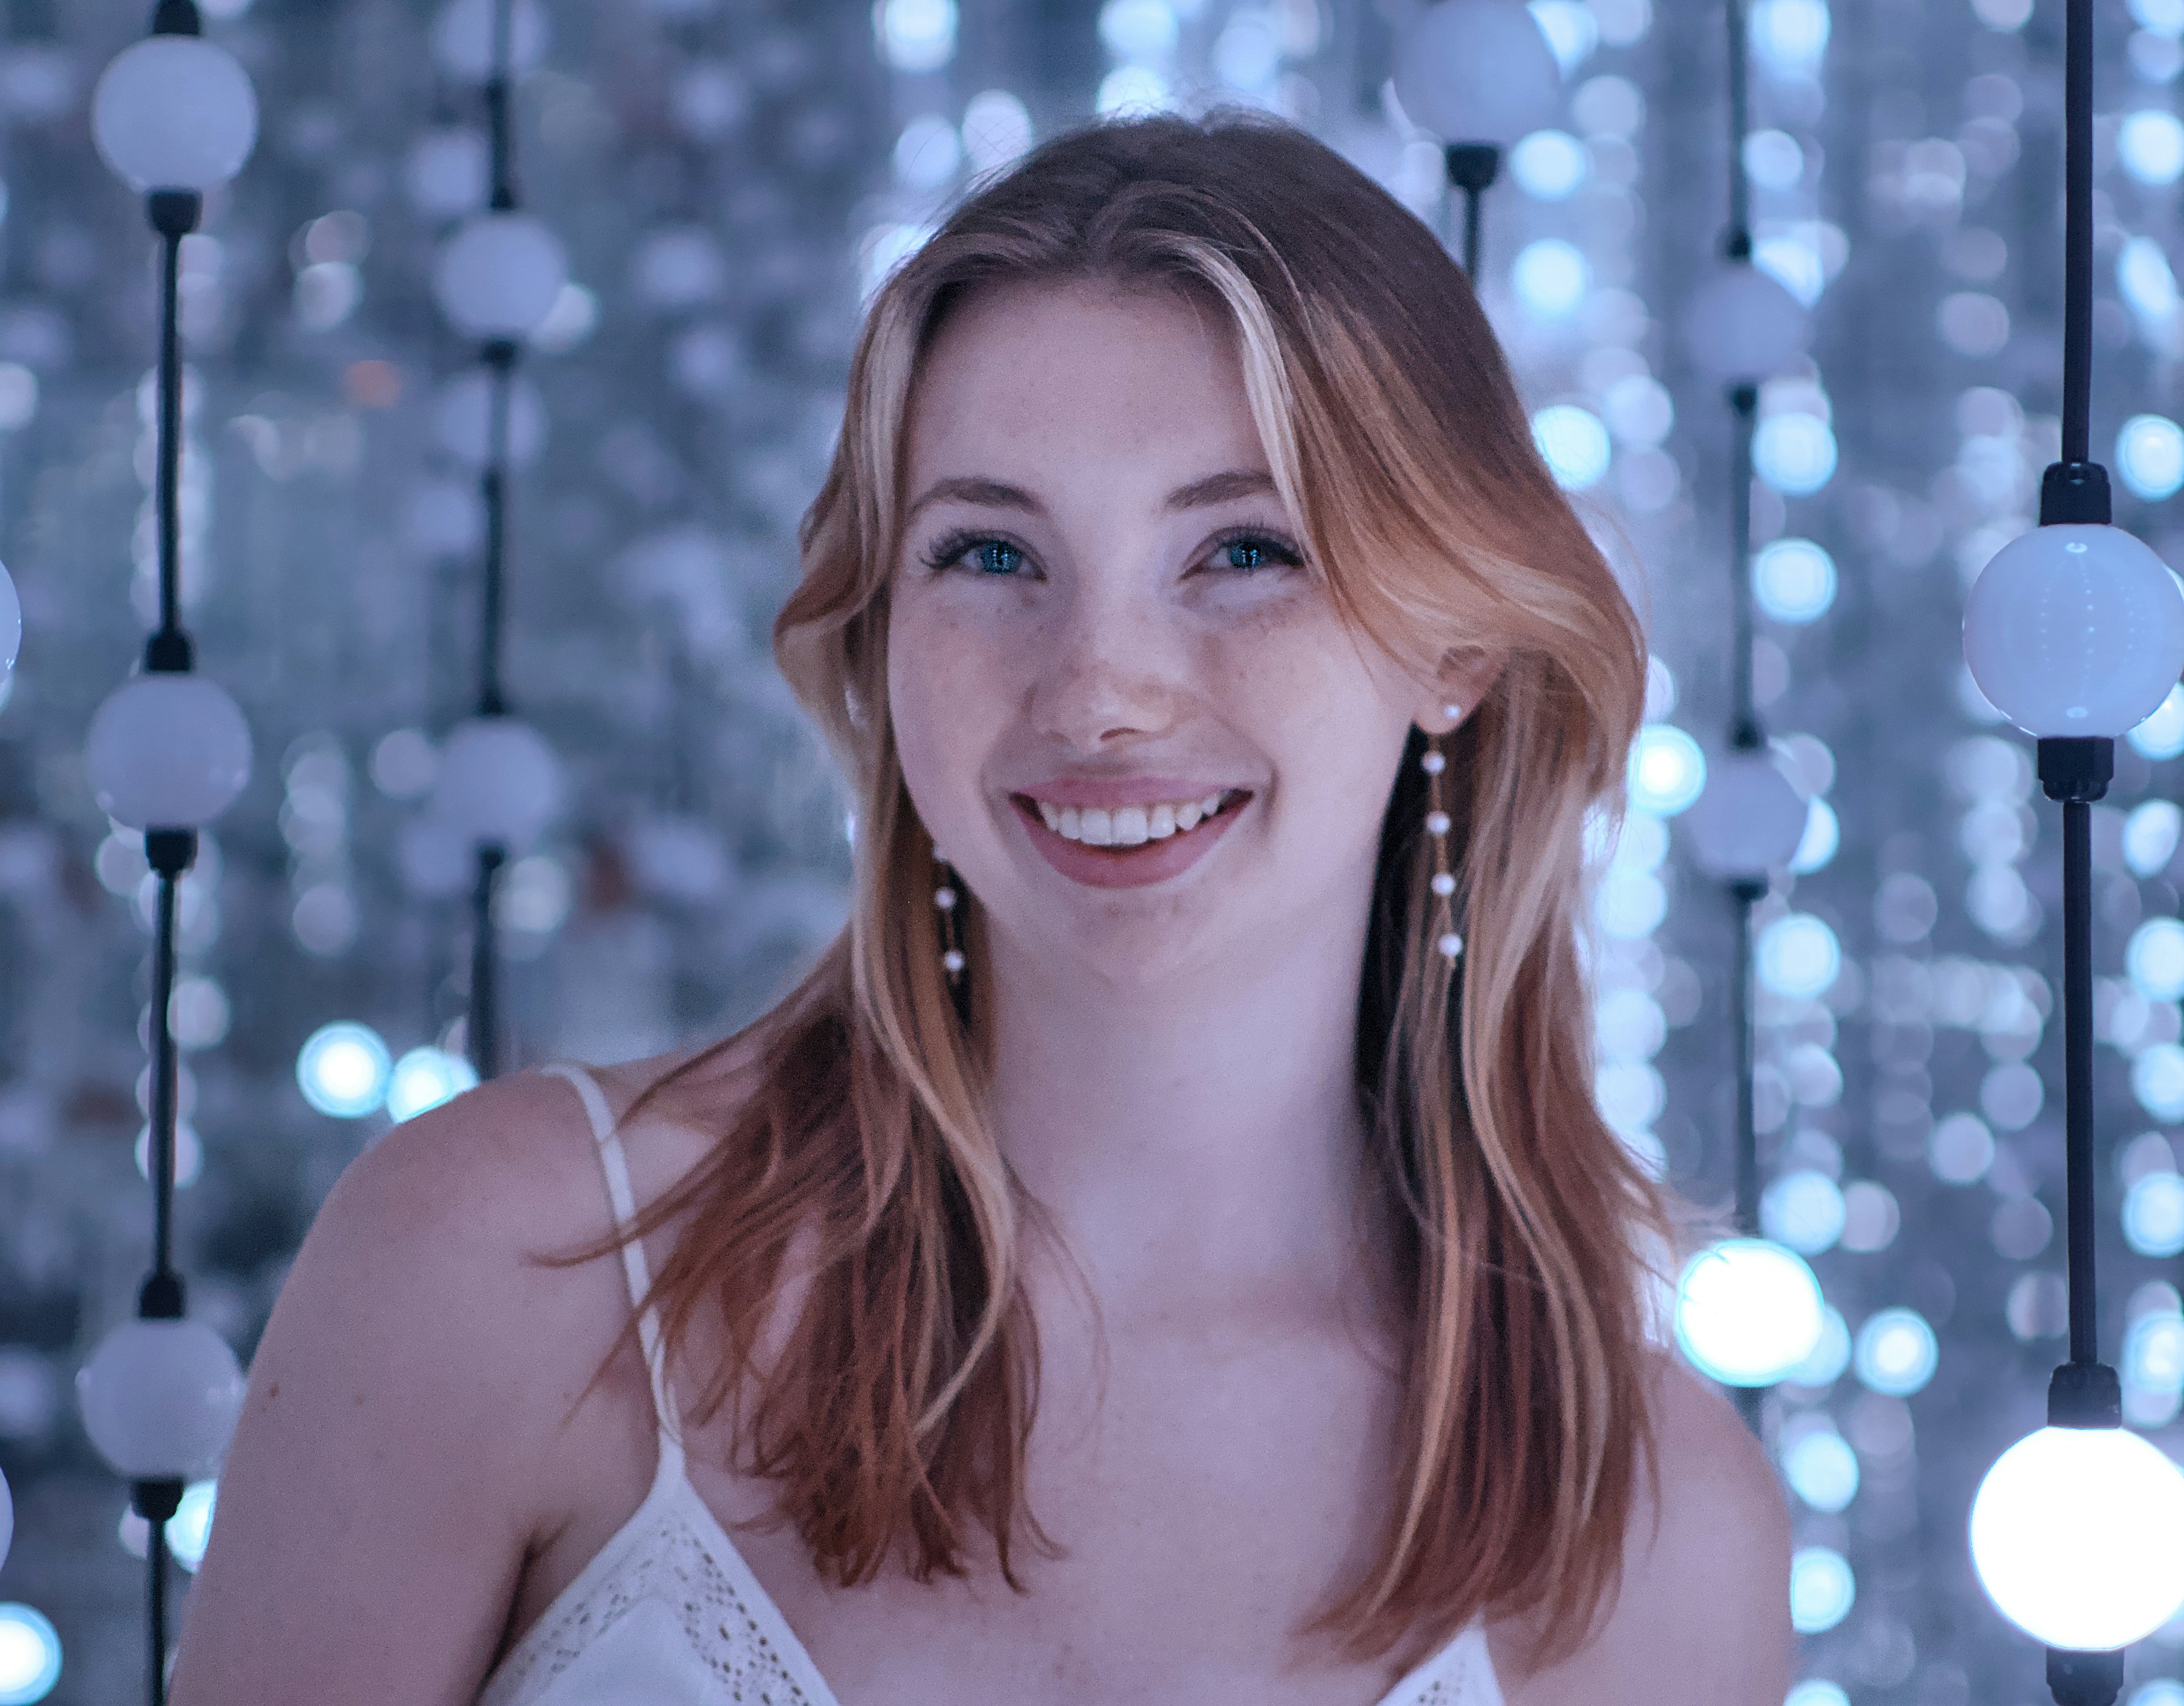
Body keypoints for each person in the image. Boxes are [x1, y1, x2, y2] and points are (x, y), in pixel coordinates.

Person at [171, 113, 1791, 1705]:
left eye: (1242, 547)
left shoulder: (1655, 1533)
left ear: (1454, 649)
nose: (1099, 689)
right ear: (879, 635)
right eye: (989, 555)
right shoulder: (512, 1265)